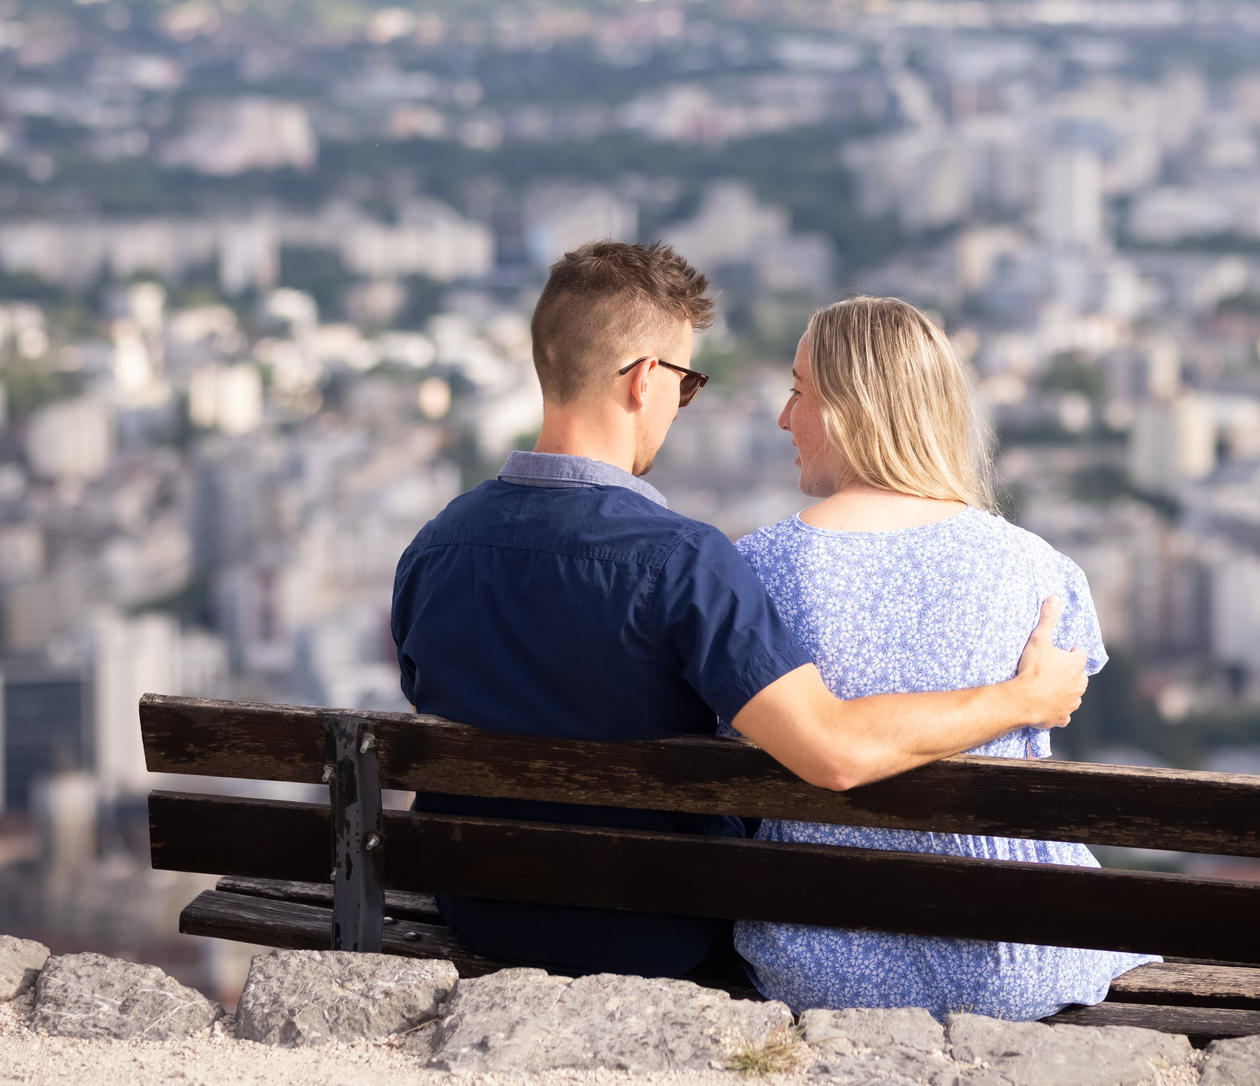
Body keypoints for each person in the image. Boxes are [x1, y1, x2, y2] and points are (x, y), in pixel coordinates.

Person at [390, 242, 1090, 979]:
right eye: (686, 385)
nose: (681, 408)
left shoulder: (435, 547)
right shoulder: (683, 563)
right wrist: (1022, 698)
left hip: (480, 906)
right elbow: (834, 751)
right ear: (643, 380)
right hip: (654, 936)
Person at [731, 295, 1153, 1020]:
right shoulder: (1035, 569)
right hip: (1019, 953)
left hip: (821, 958)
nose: (782, 416)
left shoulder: (754, 571)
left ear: (851, 409)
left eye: (798, 391)